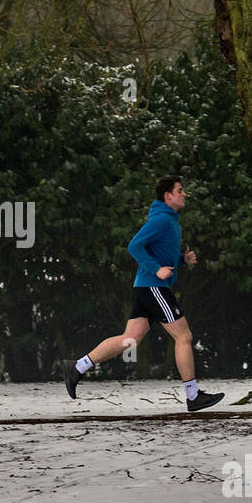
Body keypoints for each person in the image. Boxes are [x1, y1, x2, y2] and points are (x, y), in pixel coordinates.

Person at [62, 176, 224, 412]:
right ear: (168, 196)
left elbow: (160, 253)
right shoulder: (160, 220)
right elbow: (134, 246)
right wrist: (156, 269)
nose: (184, 194)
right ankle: (193, 396)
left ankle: (77, 367)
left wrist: (181, 260)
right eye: (180, 190)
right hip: (153, 287)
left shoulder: (169, 221)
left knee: (131, 338)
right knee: (184, 337)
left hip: (147, 286)